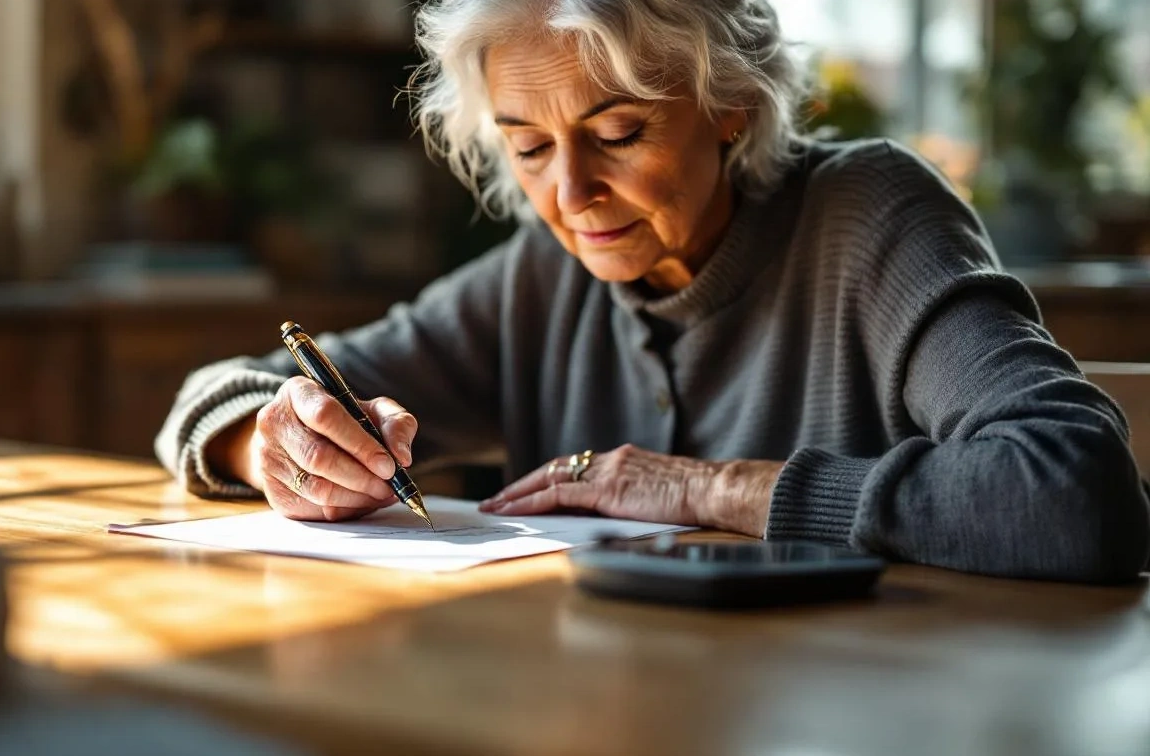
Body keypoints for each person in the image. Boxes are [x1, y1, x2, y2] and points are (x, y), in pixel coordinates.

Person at [156, 0, 1150, 582]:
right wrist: (276, 439)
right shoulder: (546, 279)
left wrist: (705, 489)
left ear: (729, 107)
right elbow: (222, 389)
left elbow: (1078, 494)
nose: (571, 194)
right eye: (529, 147)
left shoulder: (870, 217)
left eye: (619, 134)